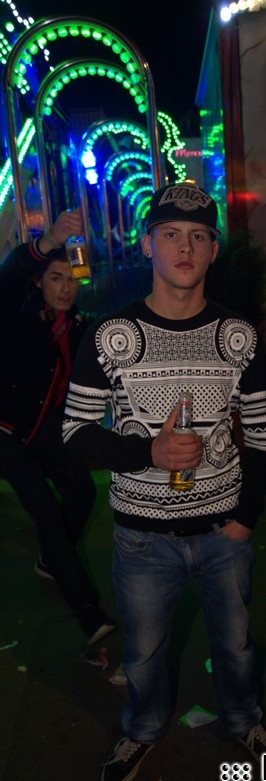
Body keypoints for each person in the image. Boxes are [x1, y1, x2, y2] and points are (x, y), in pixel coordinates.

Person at [61, 182, 266, 781]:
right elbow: (75, 432)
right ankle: (142, 729)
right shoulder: (109, 335)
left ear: (213, 249)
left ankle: (244, 722)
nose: (184, 248)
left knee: (237, 647)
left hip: (224, 533)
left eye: (197, 236)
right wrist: (148, 452)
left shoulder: (239, 336)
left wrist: (245, 518)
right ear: (147, 244)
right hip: (141, 538)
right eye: (169, 234)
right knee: (143, 654)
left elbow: (263, 434)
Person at [0, 209, 117, 646]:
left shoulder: (78, 327)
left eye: (71, 279)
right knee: (48, 516)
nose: (66, 287)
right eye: (55, 278)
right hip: (8, 432)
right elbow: (11, 274)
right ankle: (89, 613)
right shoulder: (15, 312)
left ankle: (52, 560)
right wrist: (49, 239)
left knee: (83, 493)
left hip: (48, 429)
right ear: (38, 282)